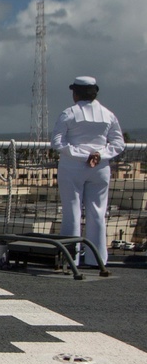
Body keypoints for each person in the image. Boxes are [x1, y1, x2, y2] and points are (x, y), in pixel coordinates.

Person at [50, 76, 125, 266]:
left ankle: (70, 258)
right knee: (98, 212)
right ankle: (97, 258)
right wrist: (99, 154)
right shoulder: (108, 115)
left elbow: (57, 142)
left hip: (72, 166)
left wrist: (81, 154)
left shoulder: (69, 114)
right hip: (100, 167)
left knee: (72, 211)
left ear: (75, 93)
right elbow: (118, 143)